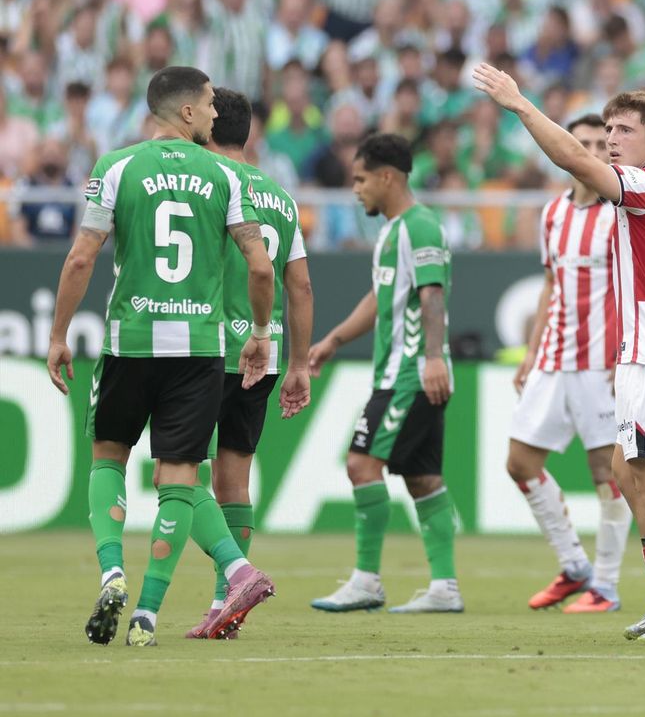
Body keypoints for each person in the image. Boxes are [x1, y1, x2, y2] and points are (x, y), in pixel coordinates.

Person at [473, 63, 645, 644]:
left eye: (624, 130)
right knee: (623, 471)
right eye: (608, 128)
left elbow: (573, 161)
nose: (611, 139)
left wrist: (520, 104)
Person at [45, 66, 277, 647]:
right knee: (179, 478)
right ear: (188, 111)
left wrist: (58, 335)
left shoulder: (115, 167)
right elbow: (260, 266)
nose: (217, 114)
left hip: (132, 340)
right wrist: (260, 332)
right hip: (199, 349)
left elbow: (81, 258)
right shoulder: (228, 174)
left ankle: (112, 573)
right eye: (210, 103)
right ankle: (147, 616)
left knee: (108, 458)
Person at [307, 134, 461, 614]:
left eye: (361, 179)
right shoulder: (393, 232)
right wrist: (333, 340)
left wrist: (432, 358)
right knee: (422, 477)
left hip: (410, 374)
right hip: (405, 372)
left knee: (361, 464)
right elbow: (380, 298)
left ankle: (367, 581)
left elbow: (432, 296)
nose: (356, 189)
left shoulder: (420, 227)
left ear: (387, 177)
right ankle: (444, 588)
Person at [182, 87, 314, 639]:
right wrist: (300, 364)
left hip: (209, 347)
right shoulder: (281, 197)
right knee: (234, 481)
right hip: (265, 354)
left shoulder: (207, 182)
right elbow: (300, 286)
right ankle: (224, 604)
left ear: (208, 126)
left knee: (177, 474)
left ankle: (234, 577)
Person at [508, 114, 631, 614]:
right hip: (553, 357)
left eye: (603, 144)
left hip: (600, 363)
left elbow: (634, 287)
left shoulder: (619, 213)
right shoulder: (553, 213)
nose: (594, 151)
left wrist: (625, 351)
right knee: (519, 462)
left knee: (607, 471)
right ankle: (574, 565)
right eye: (584, 143)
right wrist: (531, 351)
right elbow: (550, 284)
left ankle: (606, 586)